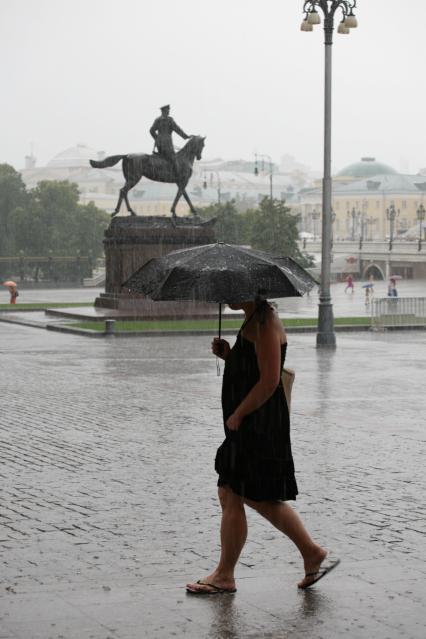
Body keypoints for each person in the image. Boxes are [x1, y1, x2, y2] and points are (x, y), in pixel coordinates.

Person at [186, 298, 339, 595]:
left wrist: (239, 413)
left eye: (230, 290)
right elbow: (253, 370)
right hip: (251, 423)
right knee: (240, 493)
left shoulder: (265, 320)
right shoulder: (253, 317)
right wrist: (230, 356)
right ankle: (309, 552)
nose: (224, 297)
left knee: (240, 492)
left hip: (258, 423)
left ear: (247, 288)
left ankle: (226, 574)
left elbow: (269, 381)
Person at [149, 105, 191, 180]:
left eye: (169, 110)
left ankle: (164, 172)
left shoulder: (158, 120)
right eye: (168, 110)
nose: (169, 111)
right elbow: (178, 130)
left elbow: (151, 131)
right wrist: (185, 136)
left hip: (160, 145)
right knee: (174, 158)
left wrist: (157, 139)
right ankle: (177, 176)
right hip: (168, 145)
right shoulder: (169, 120)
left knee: (163, 158)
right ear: (164, 111)